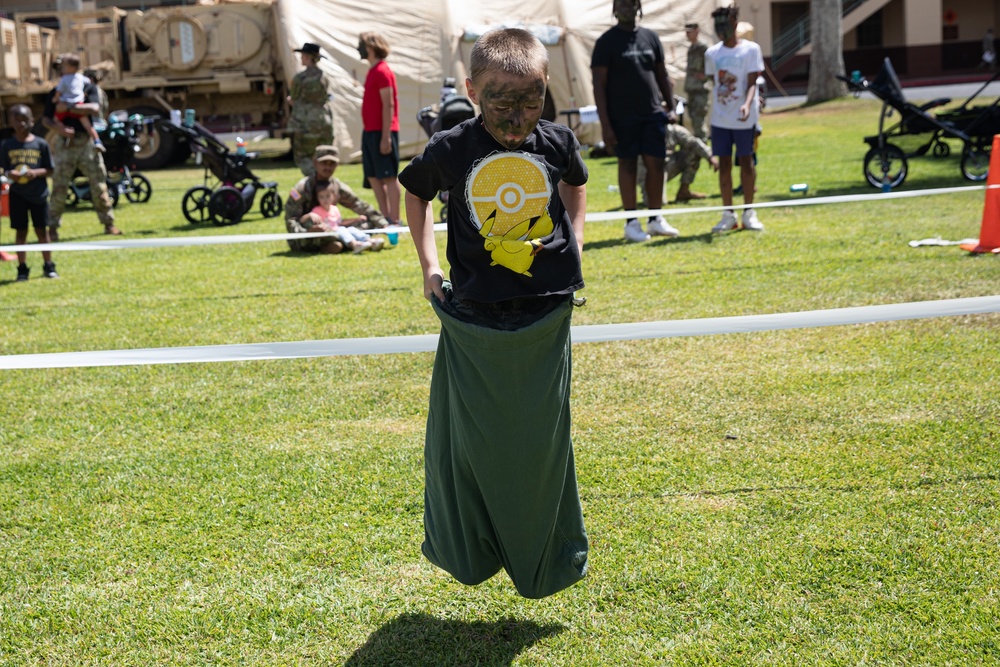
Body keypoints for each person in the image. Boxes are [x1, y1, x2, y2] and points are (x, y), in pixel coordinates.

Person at [399, 28, 589, 600]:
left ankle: (543, 553)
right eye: (499, 101)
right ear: (471, 90)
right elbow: (416, 194)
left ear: (546, 90)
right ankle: (475, 547)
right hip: (476, 310)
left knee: (541, 439)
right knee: (475, 438)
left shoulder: (555, 140)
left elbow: (576, 184)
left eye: (529, 101)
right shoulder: (453, 146)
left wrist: (575, 242)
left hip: (546, 307)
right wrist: (429, 266)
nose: (515, 116)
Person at [592, 0, 677, 242]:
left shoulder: (650, 37)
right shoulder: (605, 42)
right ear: (615, 9)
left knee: (656, 165)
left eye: (632, 3)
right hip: (622, 118)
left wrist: (671, 106)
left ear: (639, 8)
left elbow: (662, 74)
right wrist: (606, 125)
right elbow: (599, 85)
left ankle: (655, 219)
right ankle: (631, 223)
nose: (628, 8)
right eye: (623, 4)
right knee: (627, 166)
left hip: (652, 115)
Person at [43, 54, 120, 238]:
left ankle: (109, 224)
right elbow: (46, 118)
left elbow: (94, 109)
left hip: (87, 142)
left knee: (99, 185)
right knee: (59, 186)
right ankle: (52, 228)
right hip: (65, 143)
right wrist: (59, 129)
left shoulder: (89, 87)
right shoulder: (56, 90)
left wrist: (67, 108)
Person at [705, 4, 764, 233]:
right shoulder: (712, 53)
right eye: (718, 25)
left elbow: (752, 83)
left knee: (746, 162)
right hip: (720, 119)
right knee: (725, 165)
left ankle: (749, 212)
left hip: (744, 119)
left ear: (735, 24)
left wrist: (747, 105)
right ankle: (728, 214)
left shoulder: (751, 50)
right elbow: (715, 83)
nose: (721, 30)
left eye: (725, 24)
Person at [284, 145, 387, 254]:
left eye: (332, 164)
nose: (328, 168)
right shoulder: (302, 188)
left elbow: (358, 204)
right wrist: (307, 232)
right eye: (324, 163)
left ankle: (342, 244)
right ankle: (346, 243)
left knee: (366, 221)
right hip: (308, 233)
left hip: (333, 228)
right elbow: (291, 220)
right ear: (315, 163)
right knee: (314, 222)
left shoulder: (336, 186)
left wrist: (383, 224)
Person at [0, 105, 57, 281]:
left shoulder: (40, 143)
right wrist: (11, 174)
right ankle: (22, 268)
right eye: (16, 120)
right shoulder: (7, 145)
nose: (21, 123)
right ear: (10, 122)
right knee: (21, 232)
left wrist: (36, 173)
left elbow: (50, 169)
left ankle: (49, 266)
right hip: (18, 195)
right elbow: (3, 170)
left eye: (25, 119)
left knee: (42, 231)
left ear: (32, 120)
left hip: (38, 194)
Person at [358, 31, 402, 225]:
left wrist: (385, 137)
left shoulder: (383, 71)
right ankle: (384, 217)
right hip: (369, 131)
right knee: (373, 176)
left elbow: (388, 105)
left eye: (362, 45)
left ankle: (395, 219)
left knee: (388, 177)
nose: (359, 48)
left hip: (383, 131)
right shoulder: (372, 70)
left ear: (371, 48)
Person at [638, 119, 719, 207]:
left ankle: (684, 191)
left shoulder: (672, 129)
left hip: (666, 166)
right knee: (657, 203)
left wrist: (710, 156)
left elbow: (693, 142)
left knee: (694, 152)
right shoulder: (643, 128)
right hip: (646, 170)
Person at [286, 42, 335, 177]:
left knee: (304, 157)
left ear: (308, 57)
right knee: (324, 156)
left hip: (306, 123)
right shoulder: (324, 77)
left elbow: (294, 98)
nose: (301, 58)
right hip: (324, 121)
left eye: (302, 56)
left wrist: (292, 101)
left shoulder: (300, 78)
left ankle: (315, 182)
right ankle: (324, 182)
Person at [304, 181, 385, 253]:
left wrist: (356, 219)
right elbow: (302, 220)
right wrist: (309, 215)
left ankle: (371, 241)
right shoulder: (316, 210)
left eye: (328, 196)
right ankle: (354, 245)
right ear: (317, 198)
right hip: (329, 234)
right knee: (342, 229)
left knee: (351, 229)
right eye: (321, 197)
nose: (325, 199)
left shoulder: (334, 209)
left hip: (339, 230)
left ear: (334, 196)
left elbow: (340, 223)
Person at [53, 54, 104, 153]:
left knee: (57, 119)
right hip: (79, 104)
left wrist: (66, 106)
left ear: (71, 68)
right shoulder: (80, 78)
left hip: (67, 104)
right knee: (88, 126)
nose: (61, 70)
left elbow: (95, 109)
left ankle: (71, 138)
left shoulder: (65, 82)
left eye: (63, 67)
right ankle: (97, 141)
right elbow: (46, 118)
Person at [683, 22, 710, 141]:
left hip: (700, 90)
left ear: (697, 31)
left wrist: (705, 76)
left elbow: (711, 67)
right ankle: (699, 148)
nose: (687, 34)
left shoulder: (703, 48)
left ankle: (704, 148)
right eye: (686, 32)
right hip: (691, 90)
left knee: (699, 121)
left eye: (690, 31)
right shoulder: (691, 49)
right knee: (694, 120)